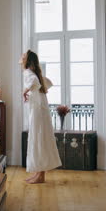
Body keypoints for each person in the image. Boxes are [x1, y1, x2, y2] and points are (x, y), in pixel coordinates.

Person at [20, 50, 62, 184]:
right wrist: (29, 92)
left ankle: (40, 175)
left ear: (27, 60)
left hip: (38, 111)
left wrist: (24, 91)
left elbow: (33, 82)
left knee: (38, 139)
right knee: (40, 138)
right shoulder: (36, 73)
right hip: (41, 110)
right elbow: (46, 83)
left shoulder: (28, 72)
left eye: (23, 56)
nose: (21, 57)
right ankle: (39, 173)